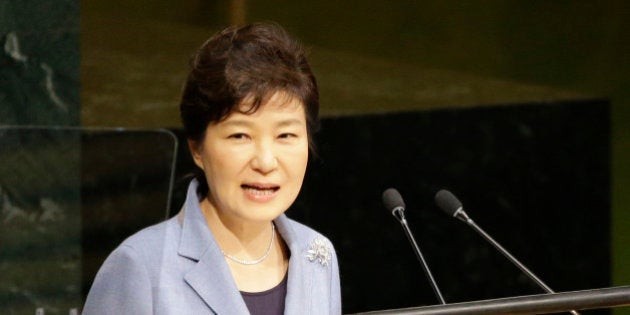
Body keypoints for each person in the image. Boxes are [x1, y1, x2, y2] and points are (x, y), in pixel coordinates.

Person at [83, 22, 341, 314]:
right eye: (240, 136)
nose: (266, 162)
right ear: (197, 148)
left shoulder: (317, 256)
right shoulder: (141, 266)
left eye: (286, 135)